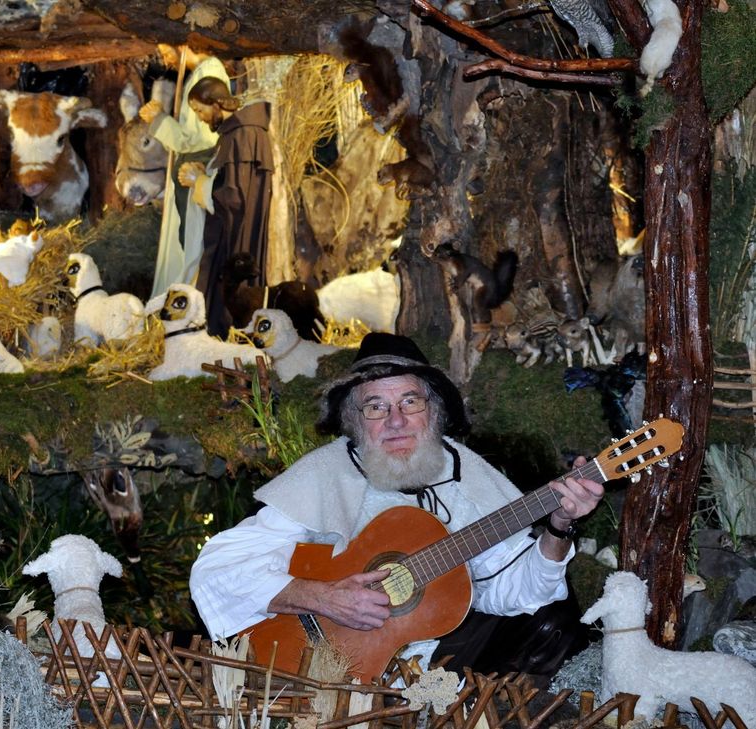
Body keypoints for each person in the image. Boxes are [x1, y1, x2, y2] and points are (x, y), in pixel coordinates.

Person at [190, 332, 604, 676]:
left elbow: (517, 590)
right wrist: (320, 597)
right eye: (376, 407)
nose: (395, 420)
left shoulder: (470, 477)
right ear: (355, 421)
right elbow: (216, 570)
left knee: (554, 620)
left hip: (439, 659)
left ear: (434, 411)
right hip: (330, 658)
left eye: (410, 401)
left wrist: (559, 526)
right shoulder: (324, 474)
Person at [178, 78, 273, 338]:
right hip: (226, 230)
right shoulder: (233, 134)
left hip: (235, 234)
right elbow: (228, 181)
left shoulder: (244, 134)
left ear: (217, 104)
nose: (200, 118)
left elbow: (235, 197)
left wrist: (199, 182)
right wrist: (205, 174)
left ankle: (227, 336)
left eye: (200, 110)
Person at [139, 44, 231, 299]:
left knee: (190, 243)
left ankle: (188, 295)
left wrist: (159, 120)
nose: (165, 59)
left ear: (183, 45)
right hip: (188, 172)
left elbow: (200, 139)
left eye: (166, 51)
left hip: (195, 173)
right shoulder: (199, 73)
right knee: (184, 240)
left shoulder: (209, 72)